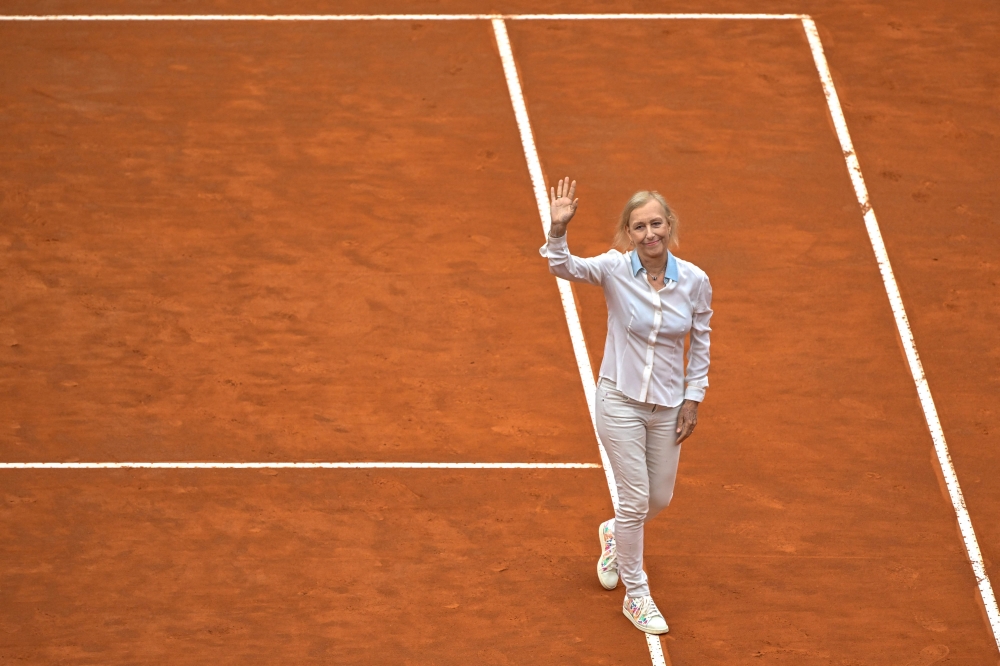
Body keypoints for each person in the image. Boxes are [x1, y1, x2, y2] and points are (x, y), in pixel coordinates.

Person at [540, 177, 713, 635]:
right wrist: (558, 230)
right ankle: (637, 596)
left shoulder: (695, 281)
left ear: (669, 225)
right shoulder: (614, 269)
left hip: (668, 407)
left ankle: (614, 534)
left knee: (659, 498)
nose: (649, 234)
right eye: (639, 227)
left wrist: (693, 399)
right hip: (618, 400)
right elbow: (564, 267)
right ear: (628, 233)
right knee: (636, 499)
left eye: (656, 223)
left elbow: (700, 343)